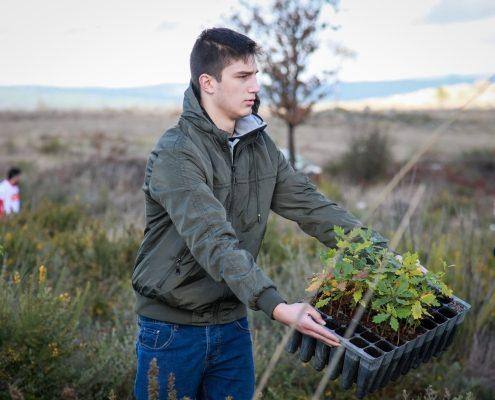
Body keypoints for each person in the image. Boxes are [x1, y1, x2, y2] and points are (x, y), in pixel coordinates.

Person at [131, 28, 389, 400]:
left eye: (255, 75)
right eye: (242, 76)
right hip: (172, 330)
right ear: (209, 83)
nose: (255, 86)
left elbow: (313, 207)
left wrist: (384, 257)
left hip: (232, 324)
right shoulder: (177, 153)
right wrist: (277, 305)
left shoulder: (259, 146)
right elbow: (213, 240)